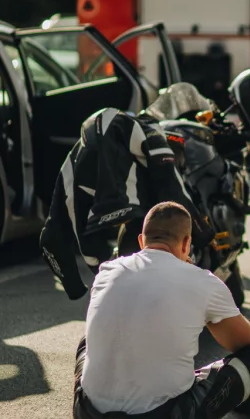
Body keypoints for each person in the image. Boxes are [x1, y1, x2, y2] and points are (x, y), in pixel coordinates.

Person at [73, 201, 250, 419]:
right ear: (186, 244)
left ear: (142, 241)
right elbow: (244, 342)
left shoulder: (107, 270)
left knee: (87, 342)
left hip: (90, 418)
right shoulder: (202, 280)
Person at [40, 100, 214, 300]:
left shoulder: (74, 167)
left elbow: (54, 236)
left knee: (88, 236)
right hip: (135, 210)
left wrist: (92, 279)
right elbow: (172, 187)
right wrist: (203, 234)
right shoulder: (149, 130)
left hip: (110, 208)